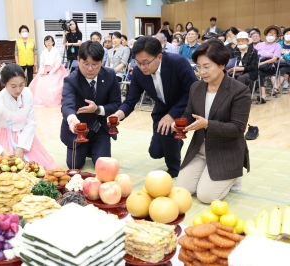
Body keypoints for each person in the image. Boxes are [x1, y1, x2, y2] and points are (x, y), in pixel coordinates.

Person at [174, 39, 251, 203]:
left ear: (222, 64)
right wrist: (181, 124)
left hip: (226, 151)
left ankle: (234, 176)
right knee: (183, 190)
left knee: (206, 197)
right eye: (199, 67)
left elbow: (238, 128)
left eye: (207, 66)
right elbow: (189, 113)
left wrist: (207, 124)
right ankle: (209, 174)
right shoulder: (196, 87)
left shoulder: (239, 91)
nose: (202, 71)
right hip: (200, 150)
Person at [112, 36, 197, 178]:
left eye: (145, 63)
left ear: (159, 57)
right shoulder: (139, 72)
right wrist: (118, 114)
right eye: (138, 63)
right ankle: (175, 143)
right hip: (161, 112)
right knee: (155, 152)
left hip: (184, 108)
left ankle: (175, 169)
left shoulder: (177, 63)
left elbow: (193, 92)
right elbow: (131, 100)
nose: (142, 67)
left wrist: (172, 115)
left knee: (167, 132)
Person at [0, 63, 57, 170]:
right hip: (3, 141)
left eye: (21, 84)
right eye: (13, 86)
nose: (18, 90)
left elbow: (30, 122)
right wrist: (3, 152)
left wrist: (21, 147)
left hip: (25, 137)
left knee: (36, 170)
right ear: (4, 84)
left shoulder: (27, 93)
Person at [60, 41, 121, 169]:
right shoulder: (71, 80)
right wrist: (72, 119)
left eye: (95, 64)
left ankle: (95, 147)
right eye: (85, 64)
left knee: (102, 165)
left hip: (100, 128)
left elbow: (116, 104)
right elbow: (67, 104)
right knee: (74, 165)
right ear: (78, 60)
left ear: (102, 61)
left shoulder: (110, 75)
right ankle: (86, 149)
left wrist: (98, 109)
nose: (90, 68)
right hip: (80, 128)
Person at [28, 35, 68, 107]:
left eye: (50, 41)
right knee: (39, 81)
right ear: (44, 43)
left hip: (55, 69)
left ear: (53, 42)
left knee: (54, 82)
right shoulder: (43, 52)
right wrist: (42, 72)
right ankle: (40, 100)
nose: (48, 42)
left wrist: (51, 72)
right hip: (45, 69)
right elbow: (42, 63)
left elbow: (57, 64)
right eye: (46, 41)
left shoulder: (56, 51)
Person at [255, 25, 282, 103]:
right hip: (257, 65)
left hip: (269, 67)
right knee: (255, 72)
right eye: (270, 33)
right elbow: (253, 55)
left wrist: (261, 63)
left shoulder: (277, 46)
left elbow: (274, 59)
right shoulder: (259, 45)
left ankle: (263, 95)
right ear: (266, 34)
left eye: (274, 34)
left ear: (276, 36)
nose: (271, 35)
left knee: (258, 72)